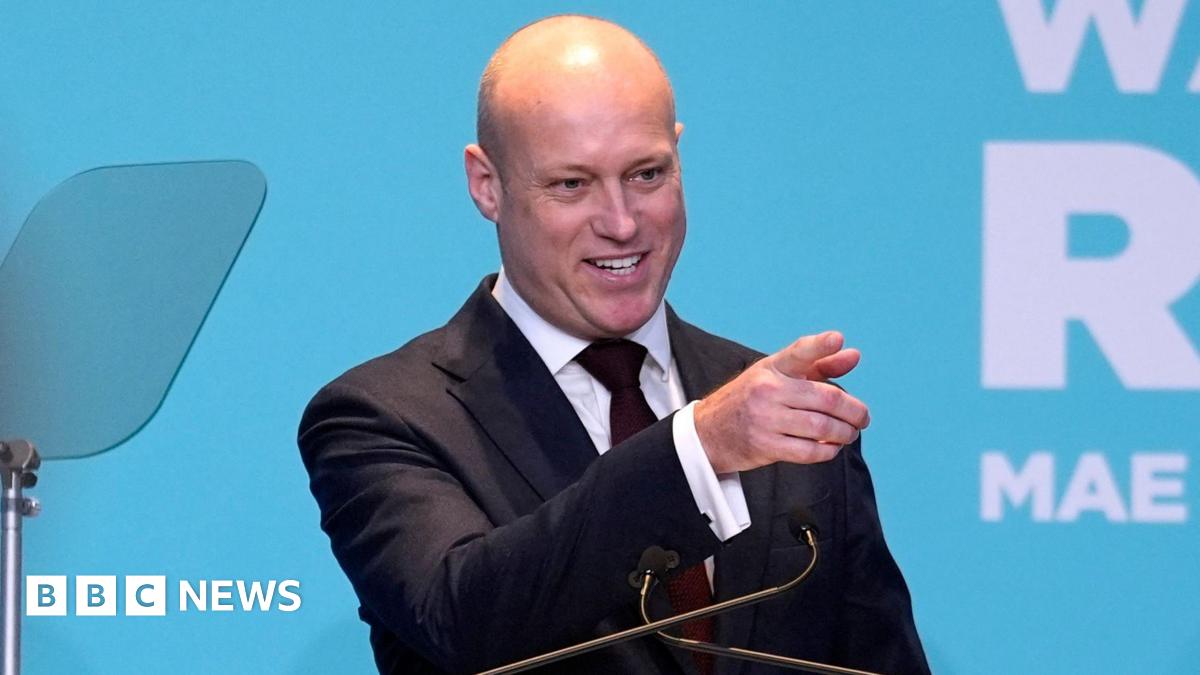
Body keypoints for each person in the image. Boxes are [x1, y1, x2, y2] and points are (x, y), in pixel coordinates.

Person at [299, 14, 929, 675]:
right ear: (488, 184)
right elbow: (463, 620)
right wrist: (697, 449)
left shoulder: (779, 406)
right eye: (572, 184)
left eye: (647, 174)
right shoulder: (383, 416)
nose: (622, 222)